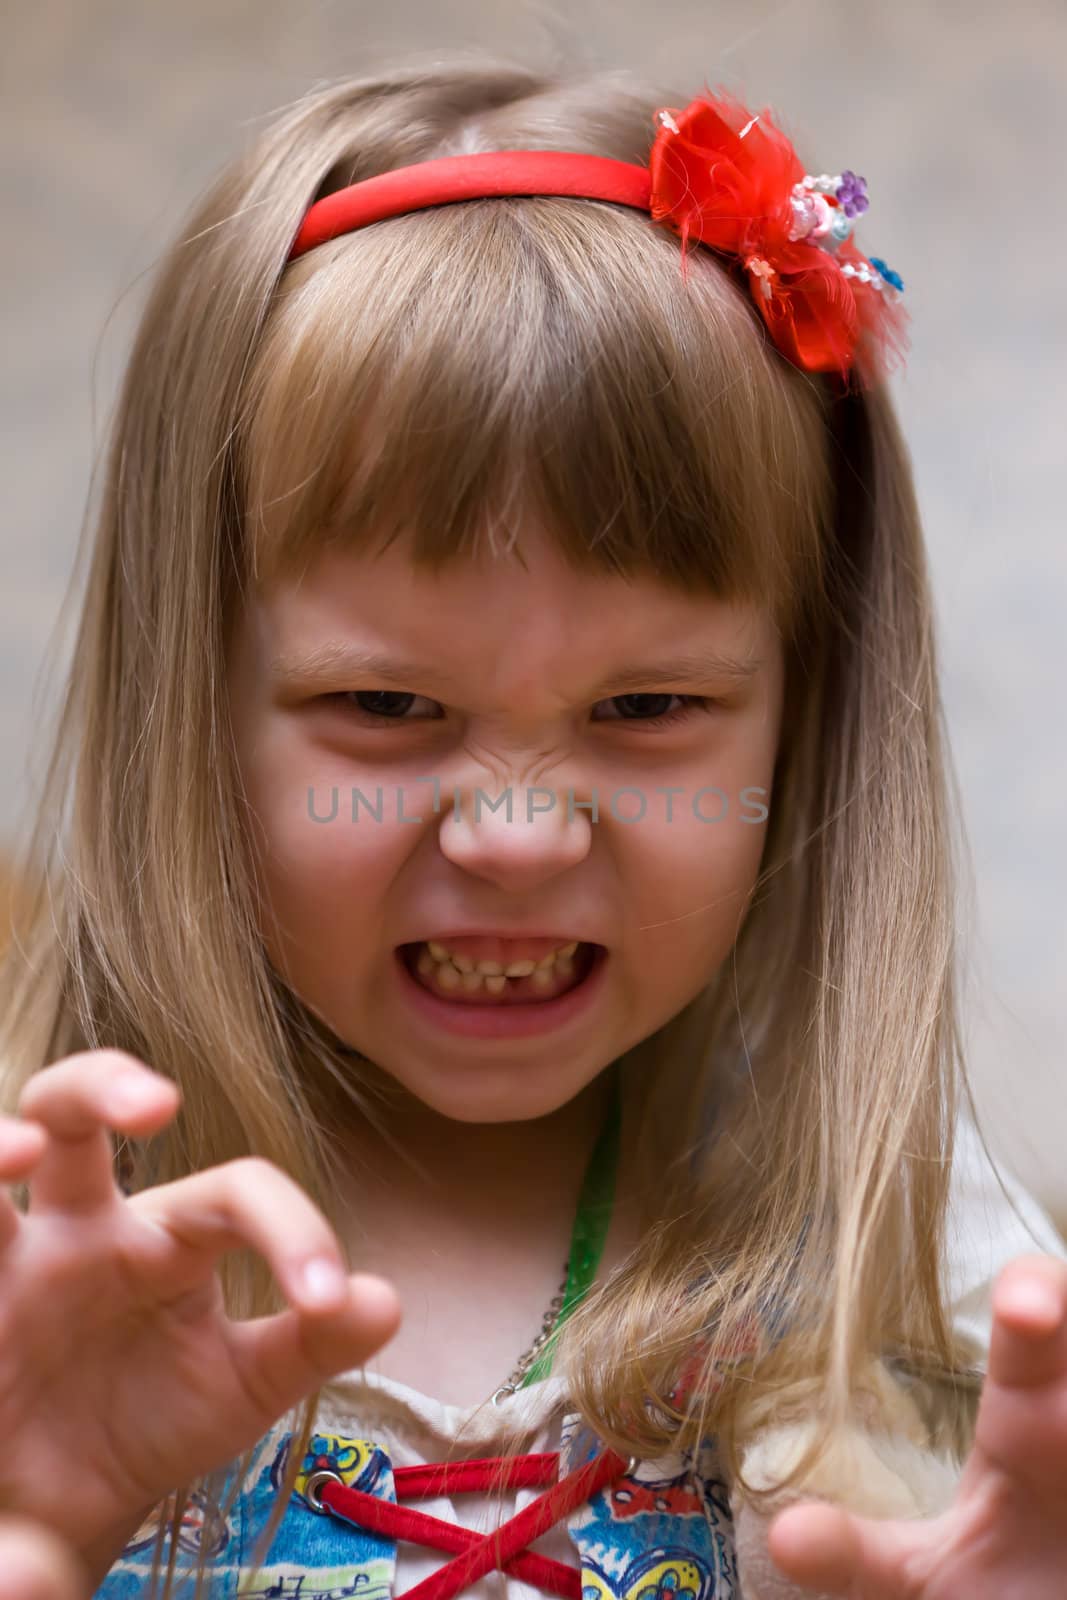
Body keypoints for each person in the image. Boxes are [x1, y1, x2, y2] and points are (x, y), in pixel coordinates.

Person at [1, 55, 1065, 1600]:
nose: (512, 837)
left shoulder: (913, 1262)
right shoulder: (41, 1247)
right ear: (192, 704)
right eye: (385, 708)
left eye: (643, 715)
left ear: (809, 719)